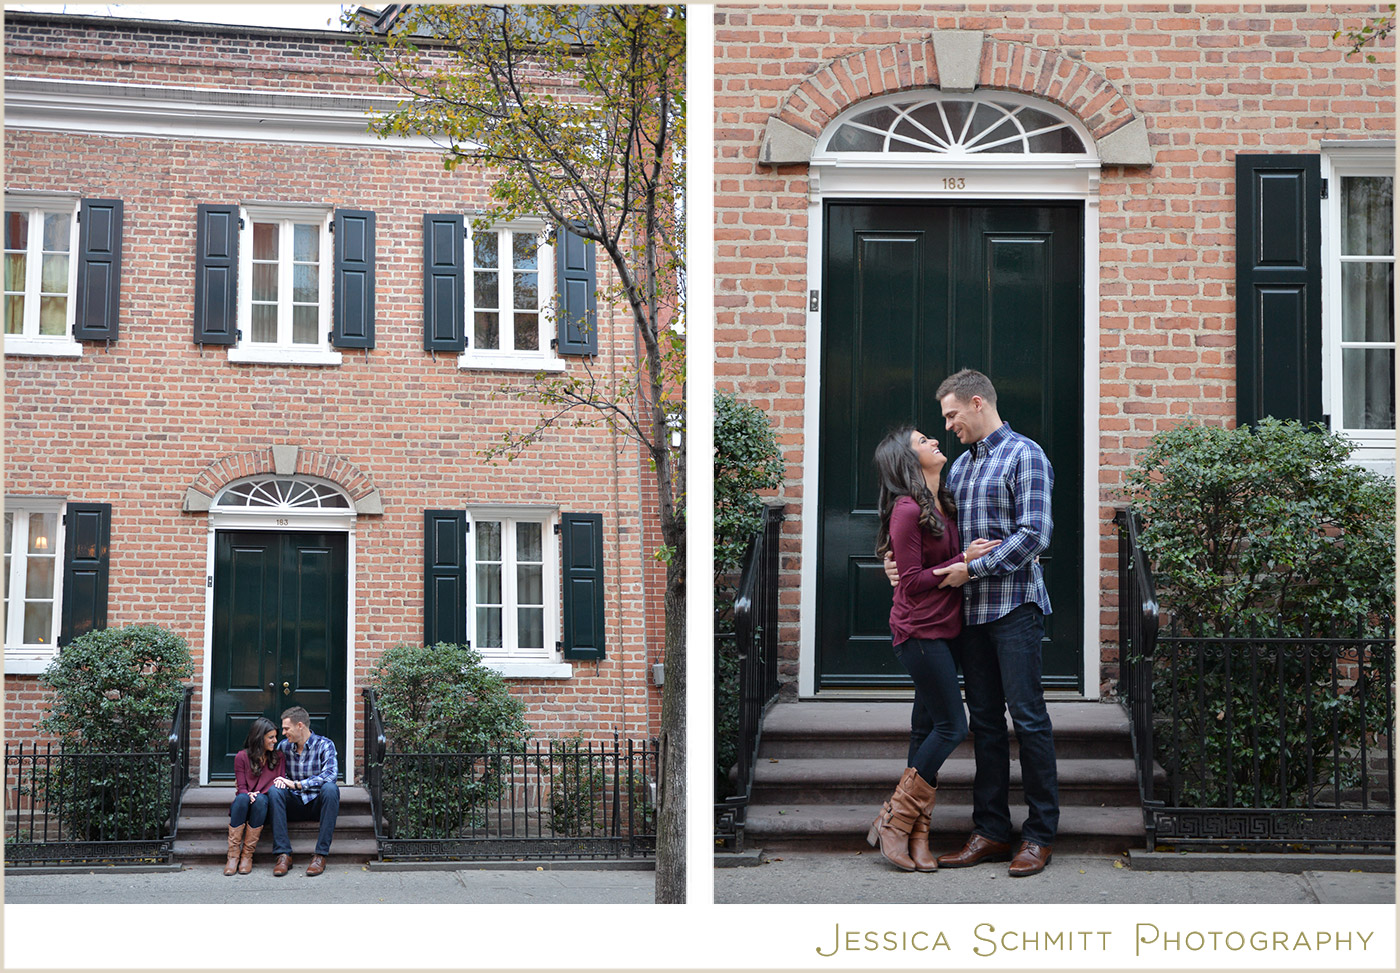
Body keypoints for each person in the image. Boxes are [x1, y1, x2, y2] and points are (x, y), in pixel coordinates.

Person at [885, 368, 1059, 877]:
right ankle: (989, 831)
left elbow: (1035, 535)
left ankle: (1040, 835)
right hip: (969, 617)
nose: (948, 424)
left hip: (1014, 609)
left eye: (952, 414)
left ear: (977, 403)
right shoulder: (957, 470)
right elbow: (929, 533)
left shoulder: (1025, 455)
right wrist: (894, 562)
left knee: (1028, 720)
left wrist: (973, 568)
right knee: (983, 725)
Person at [866, 426, 1000, 872]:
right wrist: (962, 561)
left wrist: (964, 558)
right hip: (919, 632)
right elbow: (914, 581)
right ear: (909, 460)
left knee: (925, 731)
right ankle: (894, 820)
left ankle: (918, 837)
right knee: (951, 727)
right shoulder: (906, 510)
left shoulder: (942, 503)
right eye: (923, 441)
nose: (934, 442)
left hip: (946, 631)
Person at [266, 705, 340, 877]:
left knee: (331, 789)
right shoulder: (283, 747)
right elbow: (274, 774)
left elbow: (330, 775)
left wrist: (298, 784)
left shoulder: (325, 745)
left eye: (286, 728)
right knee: (274, 791)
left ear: (300, 725)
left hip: (316, 804)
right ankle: (283, 855)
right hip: (293, 803)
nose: (283, 733)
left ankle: (320, 855)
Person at [226, 716, 283, 875]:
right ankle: (233, 856)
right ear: (259, 738)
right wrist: (248, 794)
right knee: (242, 798)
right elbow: (241, 787)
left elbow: (279, 782)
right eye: (271, 737)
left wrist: (258, 795)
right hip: (244, 802)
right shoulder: (241, 757)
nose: (275, 740)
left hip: (263, 805)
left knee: (260, 800)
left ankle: (247, 856)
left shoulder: (279, 757)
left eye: (275, 737)